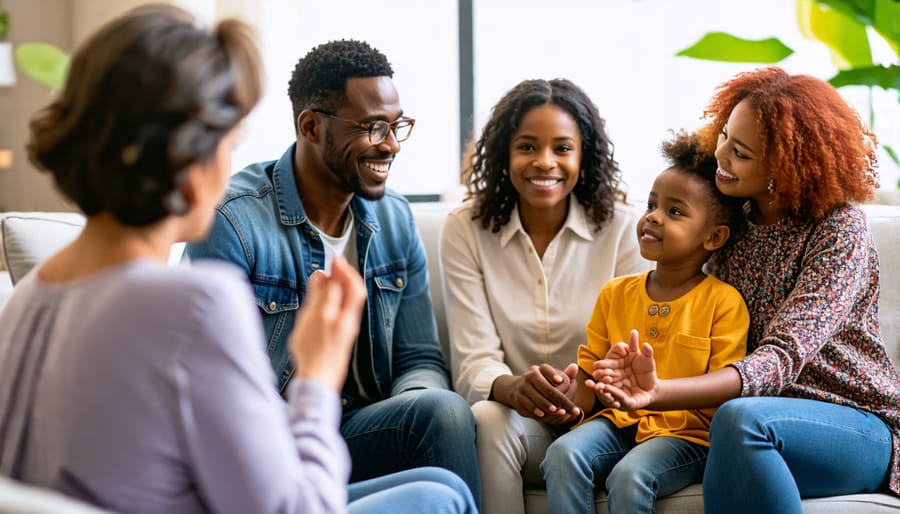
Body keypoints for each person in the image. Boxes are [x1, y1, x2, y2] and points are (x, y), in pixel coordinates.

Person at [0, 6, 477, 514]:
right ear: (188, 156)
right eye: (228, 142)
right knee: (440, 499)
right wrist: (317, 372)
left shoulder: (27, 300)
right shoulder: (195, 302)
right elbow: (295, 507)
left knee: (439, 489)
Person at [183, 39, 481, 505]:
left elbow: (418, 359)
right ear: (311, 126)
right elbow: (215, 390)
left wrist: (413, 404)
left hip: (359, 428)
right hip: (273, 441)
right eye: (374, 127)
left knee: (442, 411)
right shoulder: (232, 222)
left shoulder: (395, 221)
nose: (392, 144)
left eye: (397, 125)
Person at [591, 66, 900, 513]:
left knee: (737, 420)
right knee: (731, 430)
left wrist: (661, 392)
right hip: (750, 423)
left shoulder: (838, 229)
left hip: (855, 425)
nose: (721, 157)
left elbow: (783, 355)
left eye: (740, 153)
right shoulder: (730, 221)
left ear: (784, 166)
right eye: (723, 138)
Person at [440, 77, 651, 514]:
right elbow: (474, 358)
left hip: (606, 424)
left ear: (584, 157)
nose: (544, 162)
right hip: (521, 421)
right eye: (528, 147)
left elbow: (635, 350)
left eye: (562, 148)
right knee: (486, 418)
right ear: (504, 155)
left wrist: (587, 392)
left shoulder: (624, 229)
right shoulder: (465, 229)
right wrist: (514, 388)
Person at [540, 131, 749, 514]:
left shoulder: (724, 302)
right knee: (562, 454)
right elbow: (590, 385)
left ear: (714, 237)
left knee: (630, 475)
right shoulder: (615, 294)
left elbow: (727, 392)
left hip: (689, 436)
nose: (652, 216)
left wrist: (659, 390)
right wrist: (568, 393)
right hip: (618, 421)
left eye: (675, 211)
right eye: (652, 204)